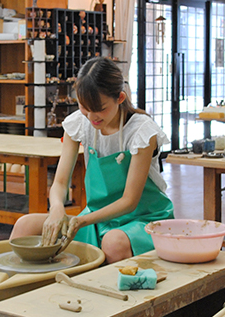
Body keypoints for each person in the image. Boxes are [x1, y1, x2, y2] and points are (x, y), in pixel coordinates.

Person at [11, 57, 174, 262]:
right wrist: (57, 209)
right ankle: (26, 291)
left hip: (142, 219)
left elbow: (129, 201)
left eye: (100, 108)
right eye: (84, 107)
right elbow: (60, 182)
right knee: (25, 225)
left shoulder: (141, 131)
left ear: (120, 98)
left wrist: (82, 220)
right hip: (96, 219)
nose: (92, 117)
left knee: (113, 242)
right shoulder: (80, 123)